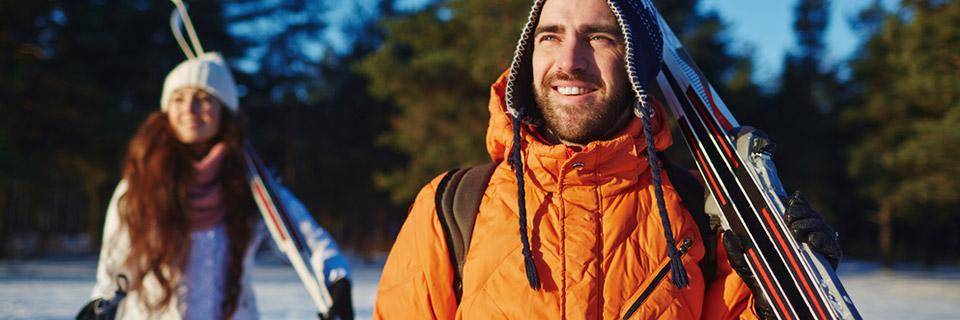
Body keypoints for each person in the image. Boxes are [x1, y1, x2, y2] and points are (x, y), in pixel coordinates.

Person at [373, 0, 841, 319]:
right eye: (550, 36)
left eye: (599, 37)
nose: (570, 60)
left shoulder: (701, 216)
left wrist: (782, 287)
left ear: (636, 62)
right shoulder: (452, 207)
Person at [86, 50, 354, 319]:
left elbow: (309, 242)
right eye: (178, 99)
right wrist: (103, 303)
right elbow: (117, 262)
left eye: (203, 98)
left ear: (223, 111)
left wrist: (336, 284)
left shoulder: (251, 184)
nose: (189, 109)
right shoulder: (141, 184)